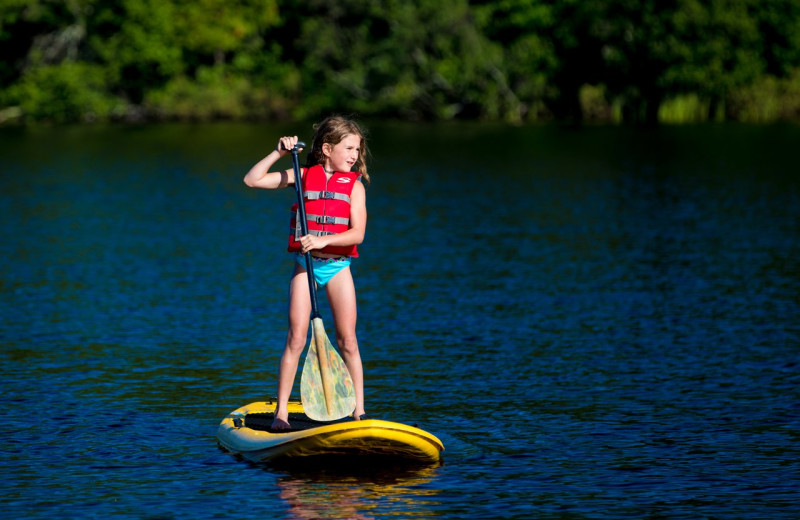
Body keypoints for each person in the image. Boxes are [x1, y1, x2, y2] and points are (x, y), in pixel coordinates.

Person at [243, 116, 370, 430]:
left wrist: (323, 240)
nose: (355, 155)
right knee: (296, 338)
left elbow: (358, 235)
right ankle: (282, 414)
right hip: (307, 267)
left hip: (337, 268)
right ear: (327, 149)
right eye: (349, 148)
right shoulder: (302, 175)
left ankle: (359, 412)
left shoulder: (354, 186)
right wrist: (279, 153)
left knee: (348, 341)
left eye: (358, 149)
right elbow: (252, 180)